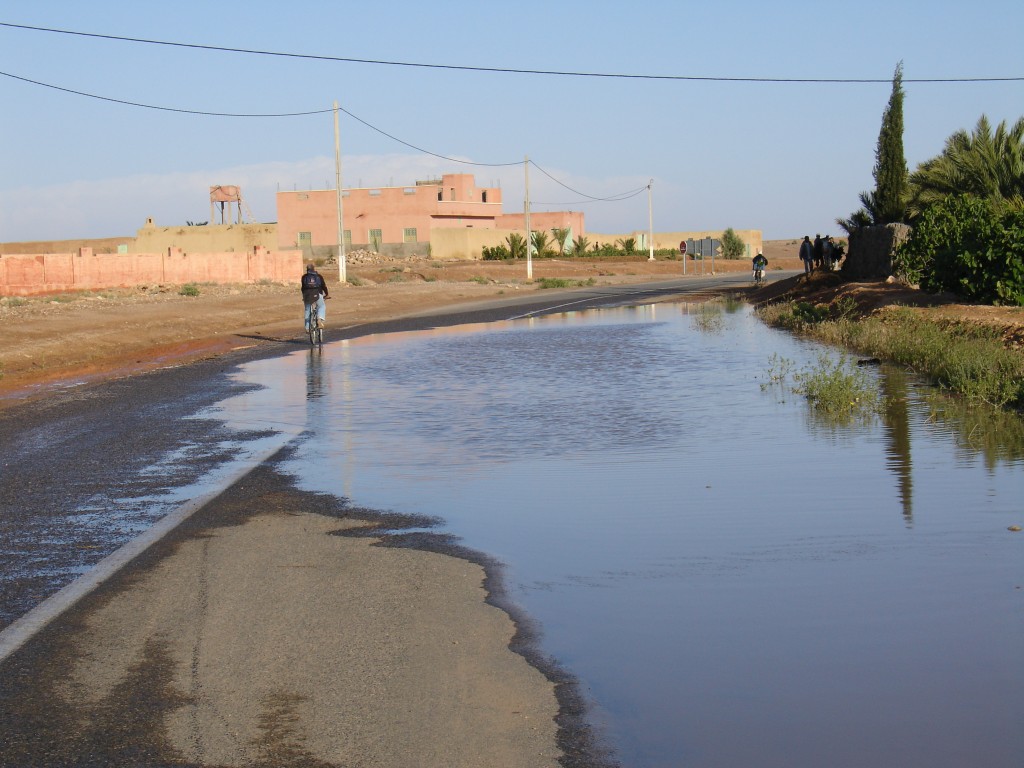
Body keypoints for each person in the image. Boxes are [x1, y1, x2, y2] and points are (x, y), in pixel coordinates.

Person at [300, 263, 330, 332]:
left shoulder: (304, 277)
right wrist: (327, 294)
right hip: (317, 294)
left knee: (307, 310)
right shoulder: (319, 276)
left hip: (307, 295)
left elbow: (303, 288)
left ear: (307, 269)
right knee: (321, 306)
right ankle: (319, 318)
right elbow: (324, 286)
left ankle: (307, 328)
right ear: (314, 269)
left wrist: (304, 296)